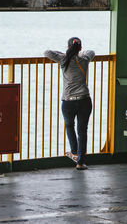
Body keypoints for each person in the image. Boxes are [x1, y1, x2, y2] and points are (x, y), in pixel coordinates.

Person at [44, 37, 95, 170]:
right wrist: (80, 53)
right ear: (80, 48)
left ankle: (73, 152)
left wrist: (65, 53)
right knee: (82, 131)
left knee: (69, 126)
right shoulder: (84, 60)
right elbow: (92, 51)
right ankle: (80, 162)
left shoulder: (64, 59)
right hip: (85, 100)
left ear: (68, 48)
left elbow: (47, 52)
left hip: (69, 102)